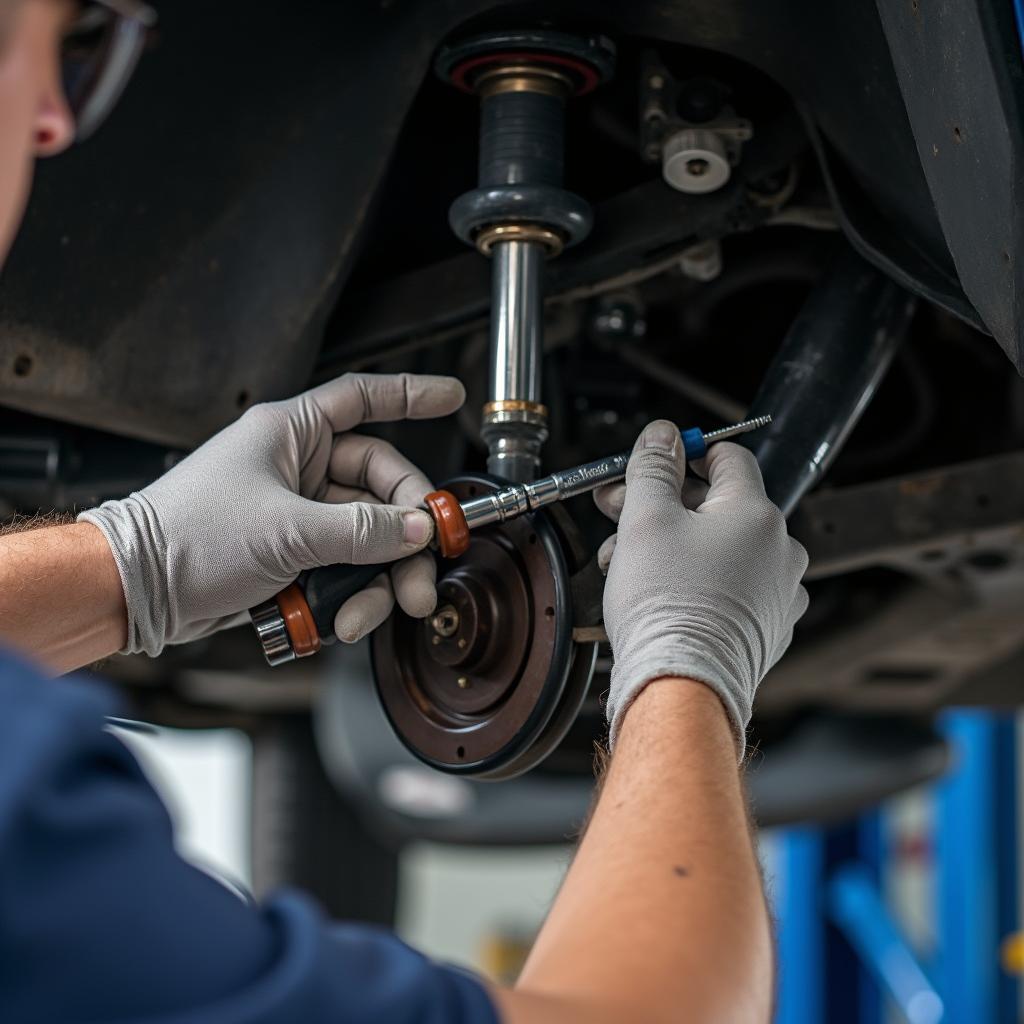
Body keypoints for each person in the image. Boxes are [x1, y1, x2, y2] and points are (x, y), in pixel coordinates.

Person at [0, 2, 809, 1021]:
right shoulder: (30, 829)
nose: (53, 120)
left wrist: (129, 564)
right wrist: (691, 665)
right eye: (74, 48)